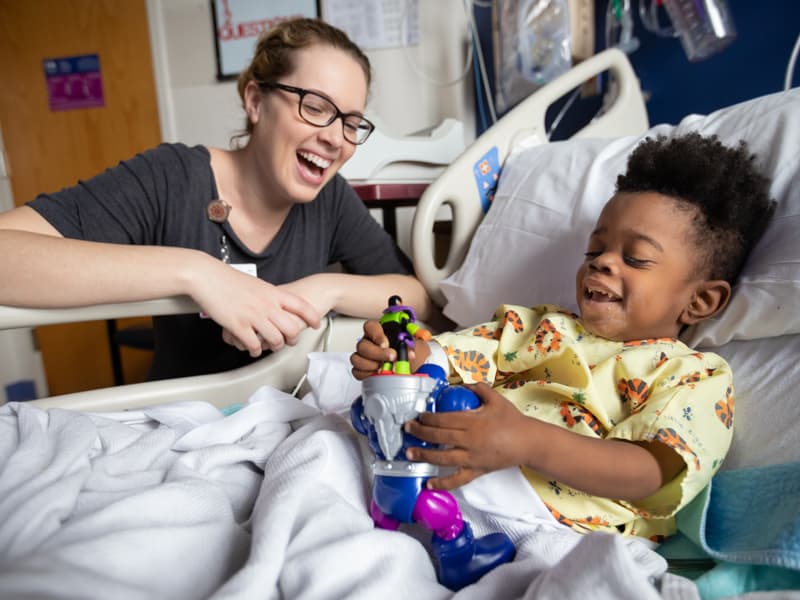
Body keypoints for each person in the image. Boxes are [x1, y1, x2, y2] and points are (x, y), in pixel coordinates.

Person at [350, 132, 776, 541]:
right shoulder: (541, 326)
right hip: (442, 482)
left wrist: (528, 442)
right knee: (326, 450)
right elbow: (452, 352)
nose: (603, 263)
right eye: (594, 251)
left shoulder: (693, 376)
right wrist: (402, 354)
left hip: (559, 528)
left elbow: (650, 471)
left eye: (636, 258)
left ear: (700, 301)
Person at [0, 18, 433, 380]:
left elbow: (419, 298)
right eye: (316, 107)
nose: (336, 137)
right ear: (255, 101)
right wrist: (196, 274)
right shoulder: (171, 179)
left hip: (282, 420)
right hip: (182, 424)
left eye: (351, 122)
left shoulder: (330, 201)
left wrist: (326, 289)